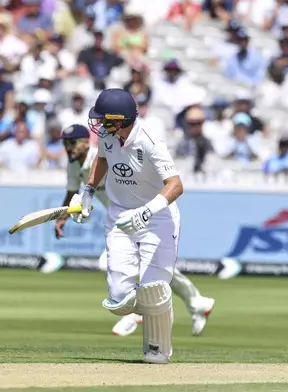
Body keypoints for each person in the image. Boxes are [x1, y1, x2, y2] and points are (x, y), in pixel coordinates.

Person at [55, 123, 216, 338]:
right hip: (121, 218)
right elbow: (72, 191)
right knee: (153, 269)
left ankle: (135, 313)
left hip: (145, 213)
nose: (69, 148)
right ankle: (197, 302)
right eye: (65, 144)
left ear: (87, 142)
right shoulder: (74, 165)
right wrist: (64, 216)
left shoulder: (105, 152)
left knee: (129, 265)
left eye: (73, 143)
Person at [68, 89, 185, 364]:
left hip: (157, 217)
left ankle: (157, 349)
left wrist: (147, 211)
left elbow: (176, 185)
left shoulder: (151, 142)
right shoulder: (109, 136)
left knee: (153, 287)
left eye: (103, 119)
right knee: (120, 299)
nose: (98, 124)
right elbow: (103, 159)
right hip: (120, 216)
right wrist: (87, 191)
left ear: (119, 120)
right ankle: (148, 306)